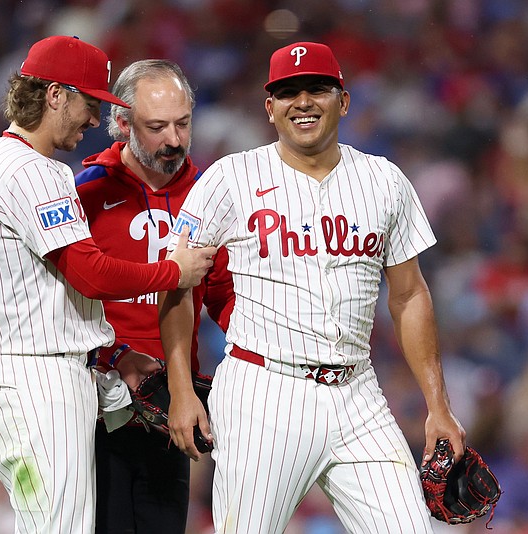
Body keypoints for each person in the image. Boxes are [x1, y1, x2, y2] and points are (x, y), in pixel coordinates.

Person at [159, 41, 466, 533]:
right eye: (287, 92)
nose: (302, 101)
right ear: (270, 108)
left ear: (342, 100)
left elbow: (409, 295)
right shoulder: (230, 178)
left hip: (357, 391)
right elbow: (176, 286)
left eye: (316, 89)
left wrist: (438, 408)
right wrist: (180, 388)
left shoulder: (383, 181)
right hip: (264, 390)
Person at [0, 35, 216, 534]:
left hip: (36, 373)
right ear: (56, 95)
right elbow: (91, 273)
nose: (91, 119)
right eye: (88, 102)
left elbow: (65, 291)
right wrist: (174, 272)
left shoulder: (0, 161)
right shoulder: (36, 172)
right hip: (40, 380)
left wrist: (113, 355)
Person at [74, 59, 233, 534]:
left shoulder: (211, 195)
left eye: (183, 124)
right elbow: (59, 306)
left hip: (171, 410)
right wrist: (116, 355)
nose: (175, 141)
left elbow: (226, 298)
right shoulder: (85, 193)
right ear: (121, 125)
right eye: (157, 127)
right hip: (94, 408)